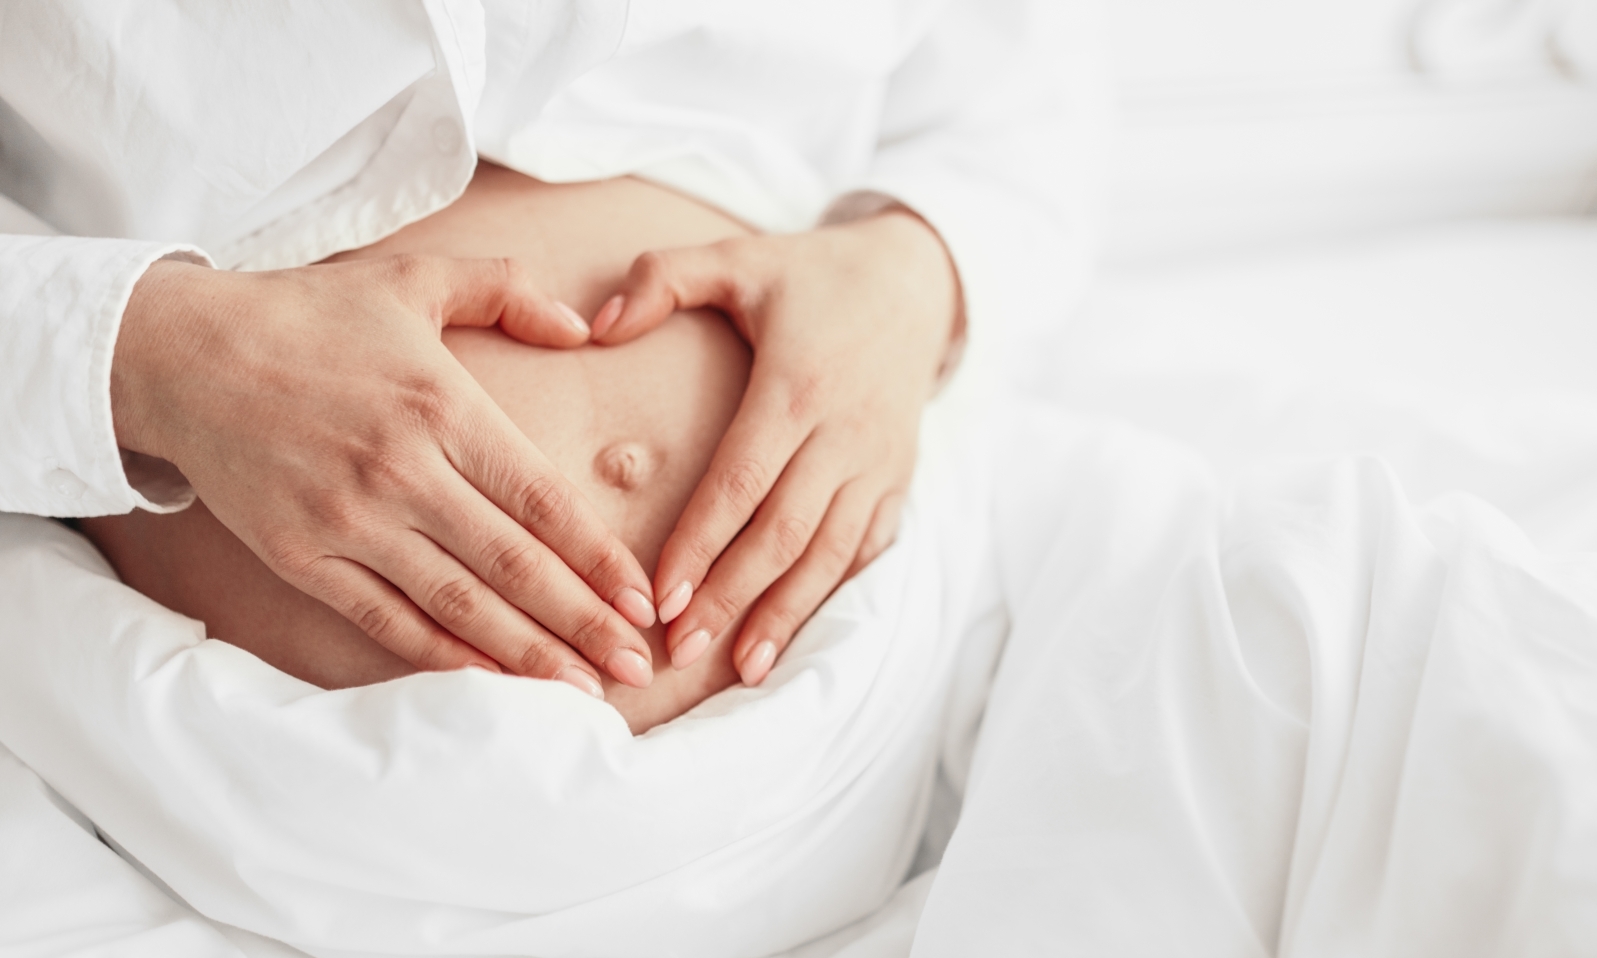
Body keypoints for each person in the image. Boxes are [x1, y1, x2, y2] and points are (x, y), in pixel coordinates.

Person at [0, 1, 1098, 707]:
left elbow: (1019, 89)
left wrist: (921, 266)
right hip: (218, 802)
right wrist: (147, 357)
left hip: (892, 685)